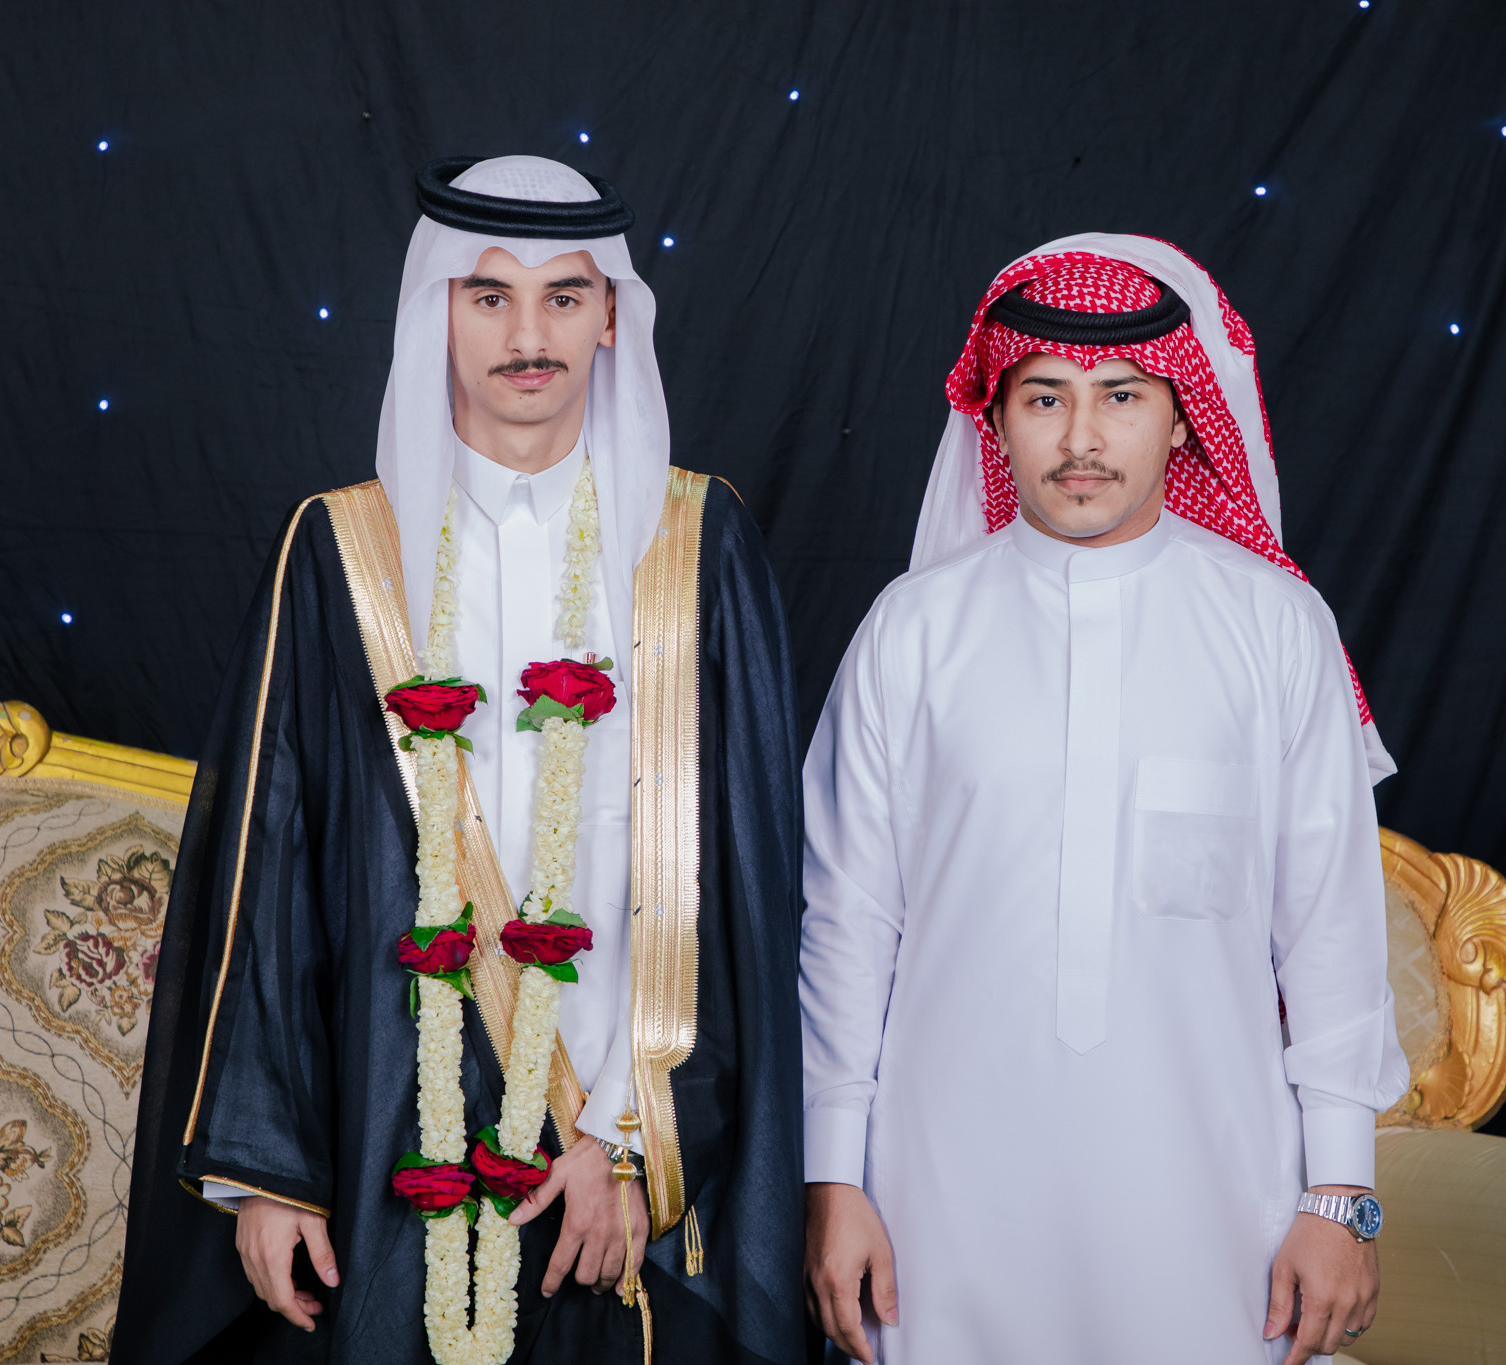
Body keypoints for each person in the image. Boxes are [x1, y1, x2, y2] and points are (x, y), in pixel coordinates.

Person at [113, 156, 804, 1365]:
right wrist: (270, 1171)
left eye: (562, 297)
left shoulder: (695, 544)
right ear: (434, 312)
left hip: (626, 1140)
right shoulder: (342, 547)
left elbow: (746, 880)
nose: (527, 336)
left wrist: (636, 1142)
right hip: (390, 1119)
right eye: (488, 297)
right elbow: (271, 869)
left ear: (609, 318)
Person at [798, 236, 1410, 1365]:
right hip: (940, 1194)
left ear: (1181, 420)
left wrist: (1340, 1196)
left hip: (1213, 1197)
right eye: (1045, 397)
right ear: (997, 421)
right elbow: (845, 929)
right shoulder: (911, 632)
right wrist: (834, 1178)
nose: (1081, 438)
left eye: (1120, 396)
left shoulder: (1276, 628)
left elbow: (1329, 932)